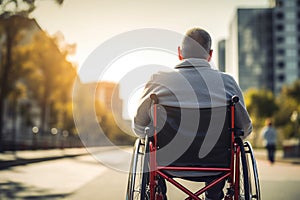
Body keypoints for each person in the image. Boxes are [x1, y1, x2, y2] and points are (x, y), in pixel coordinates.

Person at [133, 28, 252, 200]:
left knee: (150, 138)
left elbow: (139, 126)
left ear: (180, 53)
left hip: (166, 163)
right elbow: (245, 129)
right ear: (210, 55)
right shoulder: (227, 83)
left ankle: (159, 192)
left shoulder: (158, 80)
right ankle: (214, 195)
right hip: (218, 164)